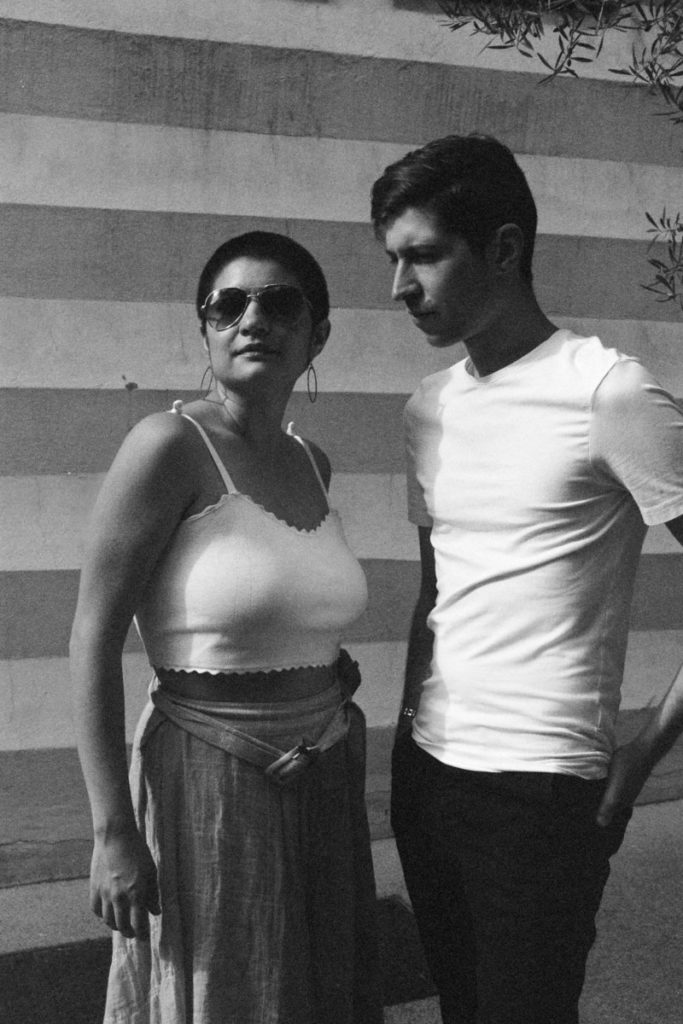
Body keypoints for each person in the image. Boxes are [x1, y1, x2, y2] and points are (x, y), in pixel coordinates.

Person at [370, 134, 683, 1024]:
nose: (399, 287)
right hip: (428, 773)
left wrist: (639, 756)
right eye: (393, 259)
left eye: (424, 255)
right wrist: (406, 746)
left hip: (540, 789)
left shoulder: (608, 394)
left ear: (504, 249)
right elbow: (436, 593)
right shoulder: (429, 406)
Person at [70, 231, 383, 1024]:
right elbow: (93, 636)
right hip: (208, 781)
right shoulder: (167, 445)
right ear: (204, 329)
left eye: (280, 303)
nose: (252, 320)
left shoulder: (312, 462)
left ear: (317, 334)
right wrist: (112, 833)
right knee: (227, 994)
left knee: (318, 994)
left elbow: (294, 616)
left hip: (323, 774)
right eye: (228, 305)